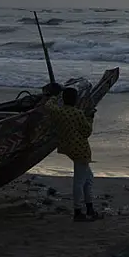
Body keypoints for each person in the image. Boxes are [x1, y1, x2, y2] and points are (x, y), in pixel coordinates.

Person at [47, 86, 100, 222]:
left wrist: (54, 96)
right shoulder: (77, 113)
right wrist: (90, 118)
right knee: (80, 181)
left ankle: (89, 209)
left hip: (69, 148)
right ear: (76, 100)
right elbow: (87, 131)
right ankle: (78, 211)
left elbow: (48, 106)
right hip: (81, 150)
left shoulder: (59, 112)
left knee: (88, 179)